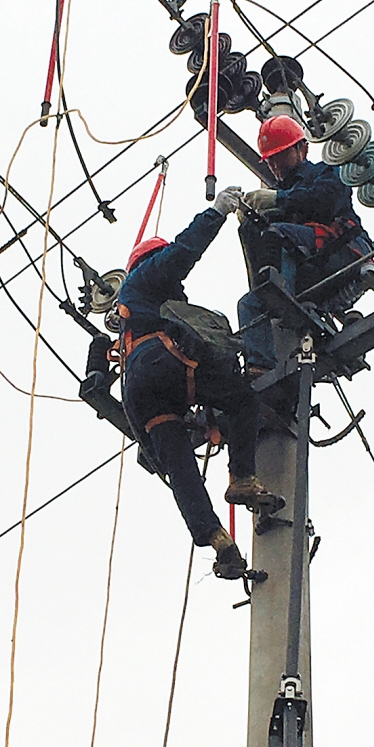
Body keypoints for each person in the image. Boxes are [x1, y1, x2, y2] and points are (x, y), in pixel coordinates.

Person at [117, 187, 280, 579]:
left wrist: (153, 449)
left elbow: (148, 433)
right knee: (242, 398)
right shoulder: (147, 278)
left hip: (140, 392)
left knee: (181, 468)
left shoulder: (129, 322)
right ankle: (241, 477)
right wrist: (217, 213)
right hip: (165, 362)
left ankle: (218, 541)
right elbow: (182, 253)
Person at [237, 114, 373, 373]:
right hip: (308, 266)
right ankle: (260, 367)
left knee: (277, 234)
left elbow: (322, 201)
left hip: (343, 250)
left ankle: (283, 292)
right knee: (249, 304)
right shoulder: (282, 198)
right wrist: (252, 219)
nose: (275, 165)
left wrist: (278, 200)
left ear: (303, 148)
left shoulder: (326, 173)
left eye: (280, 155)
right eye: (271, 159)